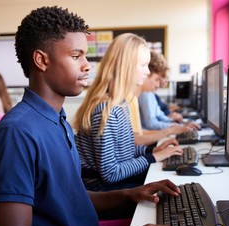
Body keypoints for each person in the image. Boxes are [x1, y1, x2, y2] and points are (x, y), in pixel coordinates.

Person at [0, 6, 188, 226]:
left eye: (86, 56)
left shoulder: (57, 119)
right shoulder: (17, 132)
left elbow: (72, 197)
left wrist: (130, 193)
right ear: (42, 60)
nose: (87, 66)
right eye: (76, 56)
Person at [73, 33, 184, 191]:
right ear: (126, 66)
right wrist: (154, 157)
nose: (147, 72)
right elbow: (110, 173)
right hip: (100, 188)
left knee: (170, 183)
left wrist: (151, 150)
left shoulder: (120, 103)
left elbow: (123, 152)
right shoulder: (106, 110)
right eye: (143, 65)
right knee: (166, 192)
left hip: (111, 181)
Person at [138, 51, 200, 131]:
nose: (158, 85)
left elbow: (159, 115)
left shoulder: (150, 93)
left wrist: (178, 124)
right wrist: (178, 127)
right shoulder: (145, 94)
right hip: (149, 136)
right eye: (157, 79)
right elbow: (151, 124)